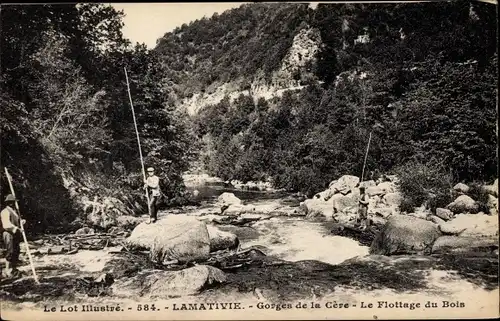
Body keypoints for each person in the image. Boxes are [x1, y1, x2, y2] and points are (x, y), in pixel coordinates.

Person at [1, 194, 25, 278]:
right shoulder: (5, 211)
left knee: (16, 251)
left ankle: (13, 269)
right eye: (12, 202)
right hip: (8, 233)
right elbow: (6, 225)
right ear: (9, 203)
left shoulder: (14, 212)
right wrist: (17, 228)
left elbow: (16, 222)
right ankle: (8, 270)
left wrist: (21, 222)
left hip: (15, 233)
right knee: (10, 252)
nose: (14, 204)